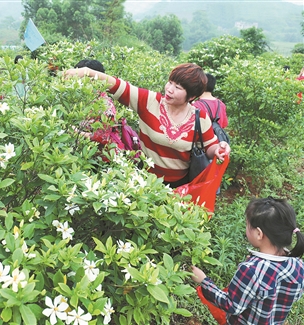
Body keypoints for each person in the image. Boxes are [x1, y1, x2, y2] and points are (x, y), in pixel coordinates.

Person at [65, 63, 231, 188]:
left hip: (178, 186)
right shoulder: (150, 102)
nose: (170, 89)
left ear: (192, 96)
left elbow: (209, 146)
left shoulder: (199, 117)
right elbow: (118, 85)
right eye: (170, 83)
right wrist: (86, 72)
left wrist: (218, 149)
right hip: (142, 180)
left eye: (178, 87)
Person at [191, 197, 304, 325]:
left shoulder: (251, 270)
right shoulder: (298, 265)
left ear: (259, 234)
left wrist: (204, 281)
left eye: (247, 225)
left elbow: (232, 305)